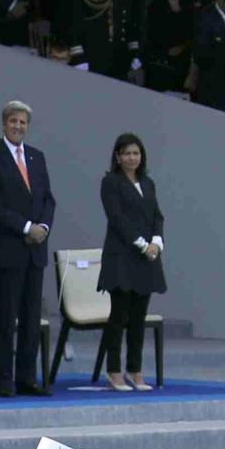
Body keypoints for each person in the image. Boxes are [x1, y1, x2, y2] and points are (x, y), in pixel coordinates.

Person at [0, 100, 55, 398]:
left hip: (35, 252)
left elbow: (48, 199)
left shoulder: (37, 157)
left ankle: (27, 379)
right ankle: (4, 381)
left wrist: (43, 228)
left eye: (23, 122)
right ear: (4, 125)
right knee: (5, 319)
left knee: (31, 319)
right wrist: (25, 228)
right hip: (8, 249)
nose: (18, 127)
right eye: (13, 122)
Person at [96, 133, 164, 393]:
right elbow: (117, 219)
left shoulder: (148, 183)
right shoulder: (110, 182)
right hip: (121, 257)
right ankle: (114, 371)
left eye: (135, 153)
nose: (131, 157)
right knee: (119, 316)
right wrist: (142, 244)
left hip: (147, 259)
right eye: (126, 153)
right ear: (117, 157)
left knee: (138, 318)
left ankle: (135, 370)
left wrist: (156, 242)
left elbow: (157, 216)